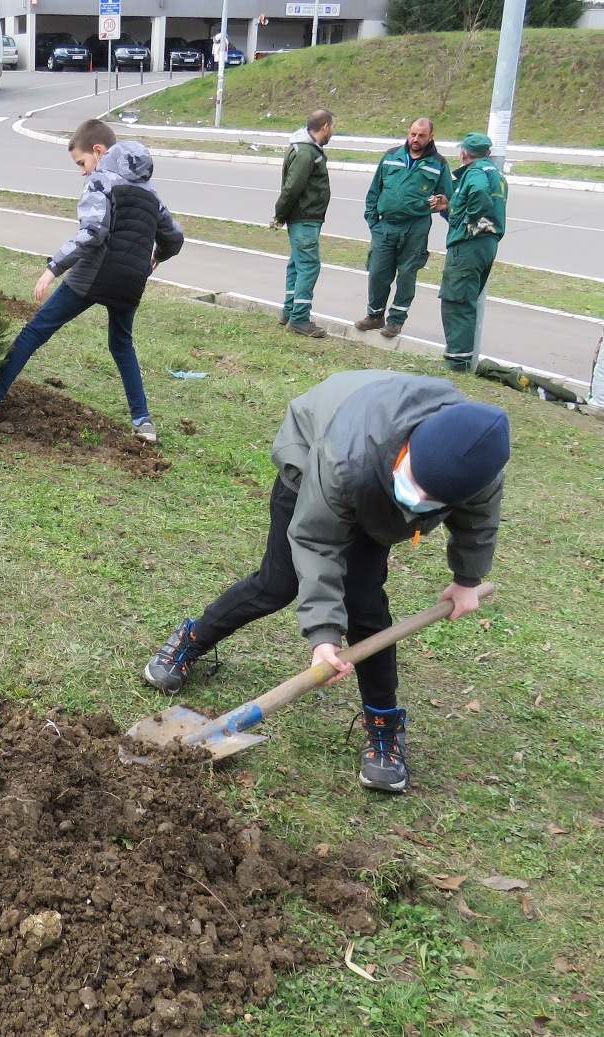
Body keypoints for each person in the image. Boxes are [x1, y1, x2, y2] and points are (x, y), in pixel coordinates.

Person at [141, 370, 510, 794]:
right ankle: (193, 637)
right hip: (314, 463)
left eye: (431, 498)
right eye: (413, 482)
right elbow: (316, 540)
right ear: (410, 446)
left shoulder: (476, 464)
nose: (417, 497)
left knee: (366, 607)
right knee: (277, 583)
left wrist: (467, 578)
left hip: (375, 496)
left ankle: (383, 722)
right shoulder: (346, 453)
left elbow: (478, 519)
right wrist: (322, 635)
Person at [0, 120, 184, 444]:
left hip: (94, 274)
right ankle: (143, 422)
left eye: (82, 163)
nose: (83, 171)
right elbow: (175, 237)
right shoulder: (150, 192)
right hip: (132, 282)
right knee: (121, 344)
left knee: (35, 331)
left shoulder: (101, 180)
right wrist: (157, 257)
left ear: (98, 151)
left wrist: (52, 268)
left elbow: (93, 232)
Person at [356, 118, 451, 340]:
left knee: (407, 274)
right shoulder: (391, 157)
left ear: (431, 137)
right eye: (413, 134)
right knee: (378, 272)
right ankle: (375, 315)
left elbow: (447, 199)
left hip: (416, 227)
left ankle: (396, 320)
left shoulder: (439, 164)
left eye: (421, 136)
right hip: (385, 226)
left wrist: (442, 205)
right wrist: (373, 222)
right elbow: (374, 190)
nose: (416, 139)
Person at [440, 132, 508, 372]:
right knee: (466, 300)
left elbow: (478, 198)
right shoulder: (497, 176)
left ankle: (457, 363)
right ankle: (461, 359)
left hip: (468, 246)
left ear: (464, 153)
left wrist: (466, 218)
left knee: (457, 301)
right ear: (488, 153)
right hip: (486, 245)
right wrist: (448, 208)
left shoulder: (475, 172)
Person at [274, 109, 333, 339]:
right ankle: (300, 318)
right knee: (309, 266)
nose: (332, 133)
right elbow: (292, 187)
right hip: (305, 218)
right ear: (325, 126)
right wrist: (279, 213)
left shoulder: (302, 148)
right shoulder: (306, 153)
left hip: (304, 217)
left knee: (296, 265)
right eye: (332, 128)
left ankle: (289, 311)